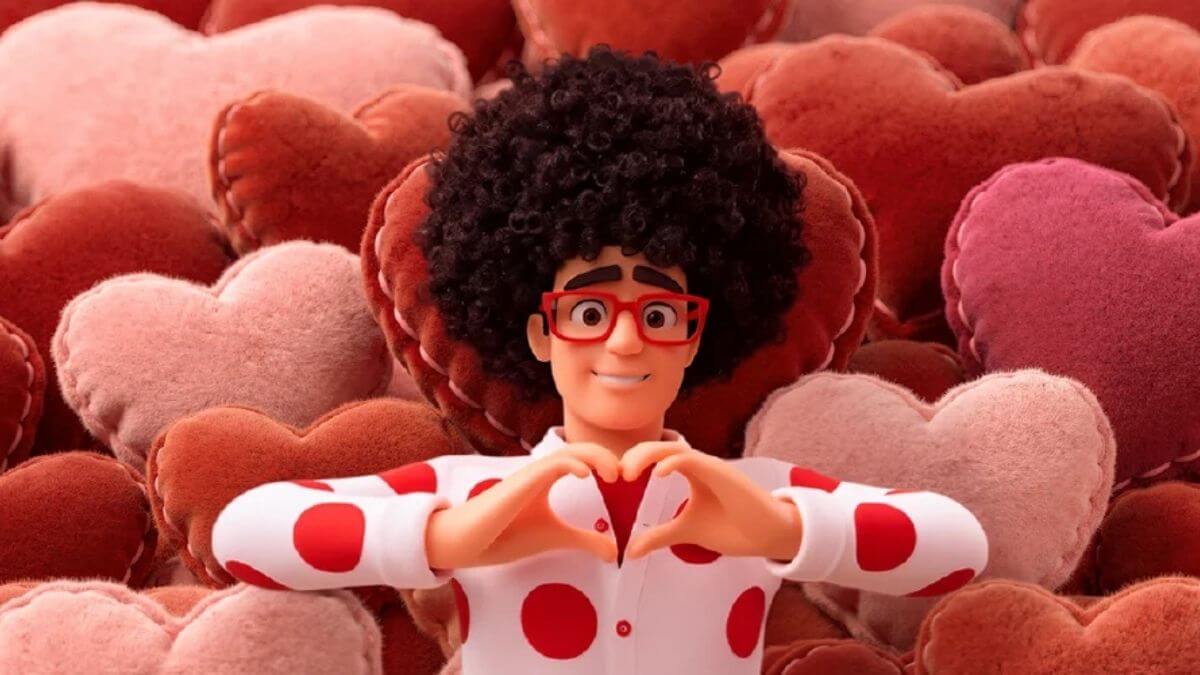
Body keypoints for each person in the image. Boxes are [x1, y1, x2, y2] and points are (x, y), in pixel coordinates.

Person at [211, 47, 987, 674]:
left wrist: (785, 526)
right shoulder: (477, 496)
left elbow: (957, 545)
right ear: (540, 331)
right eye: (588, 313)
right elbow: (244, 531)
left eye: (658, 314)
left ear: (696, 334)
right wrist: (446, 539)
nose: (624, 341)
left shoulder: (748, 498)